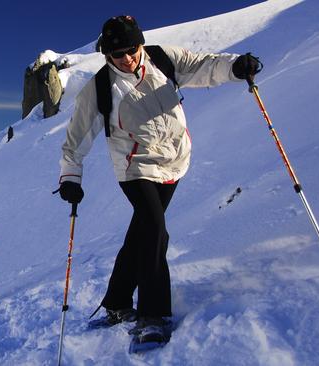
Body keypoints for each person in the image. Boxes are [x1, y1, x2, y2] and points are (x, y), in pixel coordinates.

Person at [57, 16, 261, 342]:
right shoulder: (99, 89)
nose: (126, 58)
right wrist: (70, 177)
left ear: (140, 43)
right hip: (135, 167)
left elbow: (203, 66)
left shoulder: (163, 60)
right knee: (154, 231)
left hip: (175, 162)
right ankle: (152, 315)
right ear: (106, 54)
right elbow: (75, 139)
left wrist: (236, 66)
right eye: (116, 53)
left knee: (141, 232)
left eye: (131, 49)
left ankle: (117, 302)